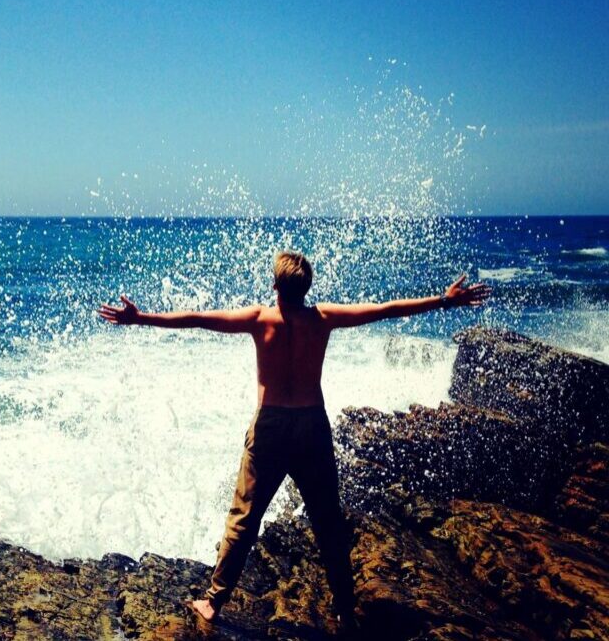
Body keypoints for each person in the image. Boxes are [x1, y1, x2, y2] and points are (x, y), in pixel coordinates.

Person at [98, 251, 491, 630]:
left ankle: (213, 602)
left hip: (270, 426)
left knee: (244, 518)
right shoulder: (322, 318)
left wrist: (140, 318)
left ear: (274, 285)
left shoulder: (259, 319)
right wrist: (444, 300)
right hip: (310, 425)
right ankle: (346, 612)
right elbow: (385, 309)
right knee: (327, 522)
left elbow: (199, 319)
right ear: (306, 288)